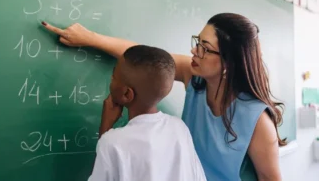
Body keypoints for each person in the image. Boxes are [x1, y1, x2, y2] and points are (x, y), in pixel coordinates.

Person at [41, 12, 285, 181]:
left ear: (228, 63)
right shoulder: (195, 77)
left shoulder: (257, 120)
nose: (194, 50)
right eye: (197, 41)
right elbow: (146, 61)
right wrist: (90, 39)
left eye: (204, 47)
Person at [87, 45, 206, 181]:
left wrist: (105, 128)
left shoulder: (112, 142)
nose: (111, 79)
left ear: (127, 94)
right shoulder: (179, 128)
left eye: (114, 76)